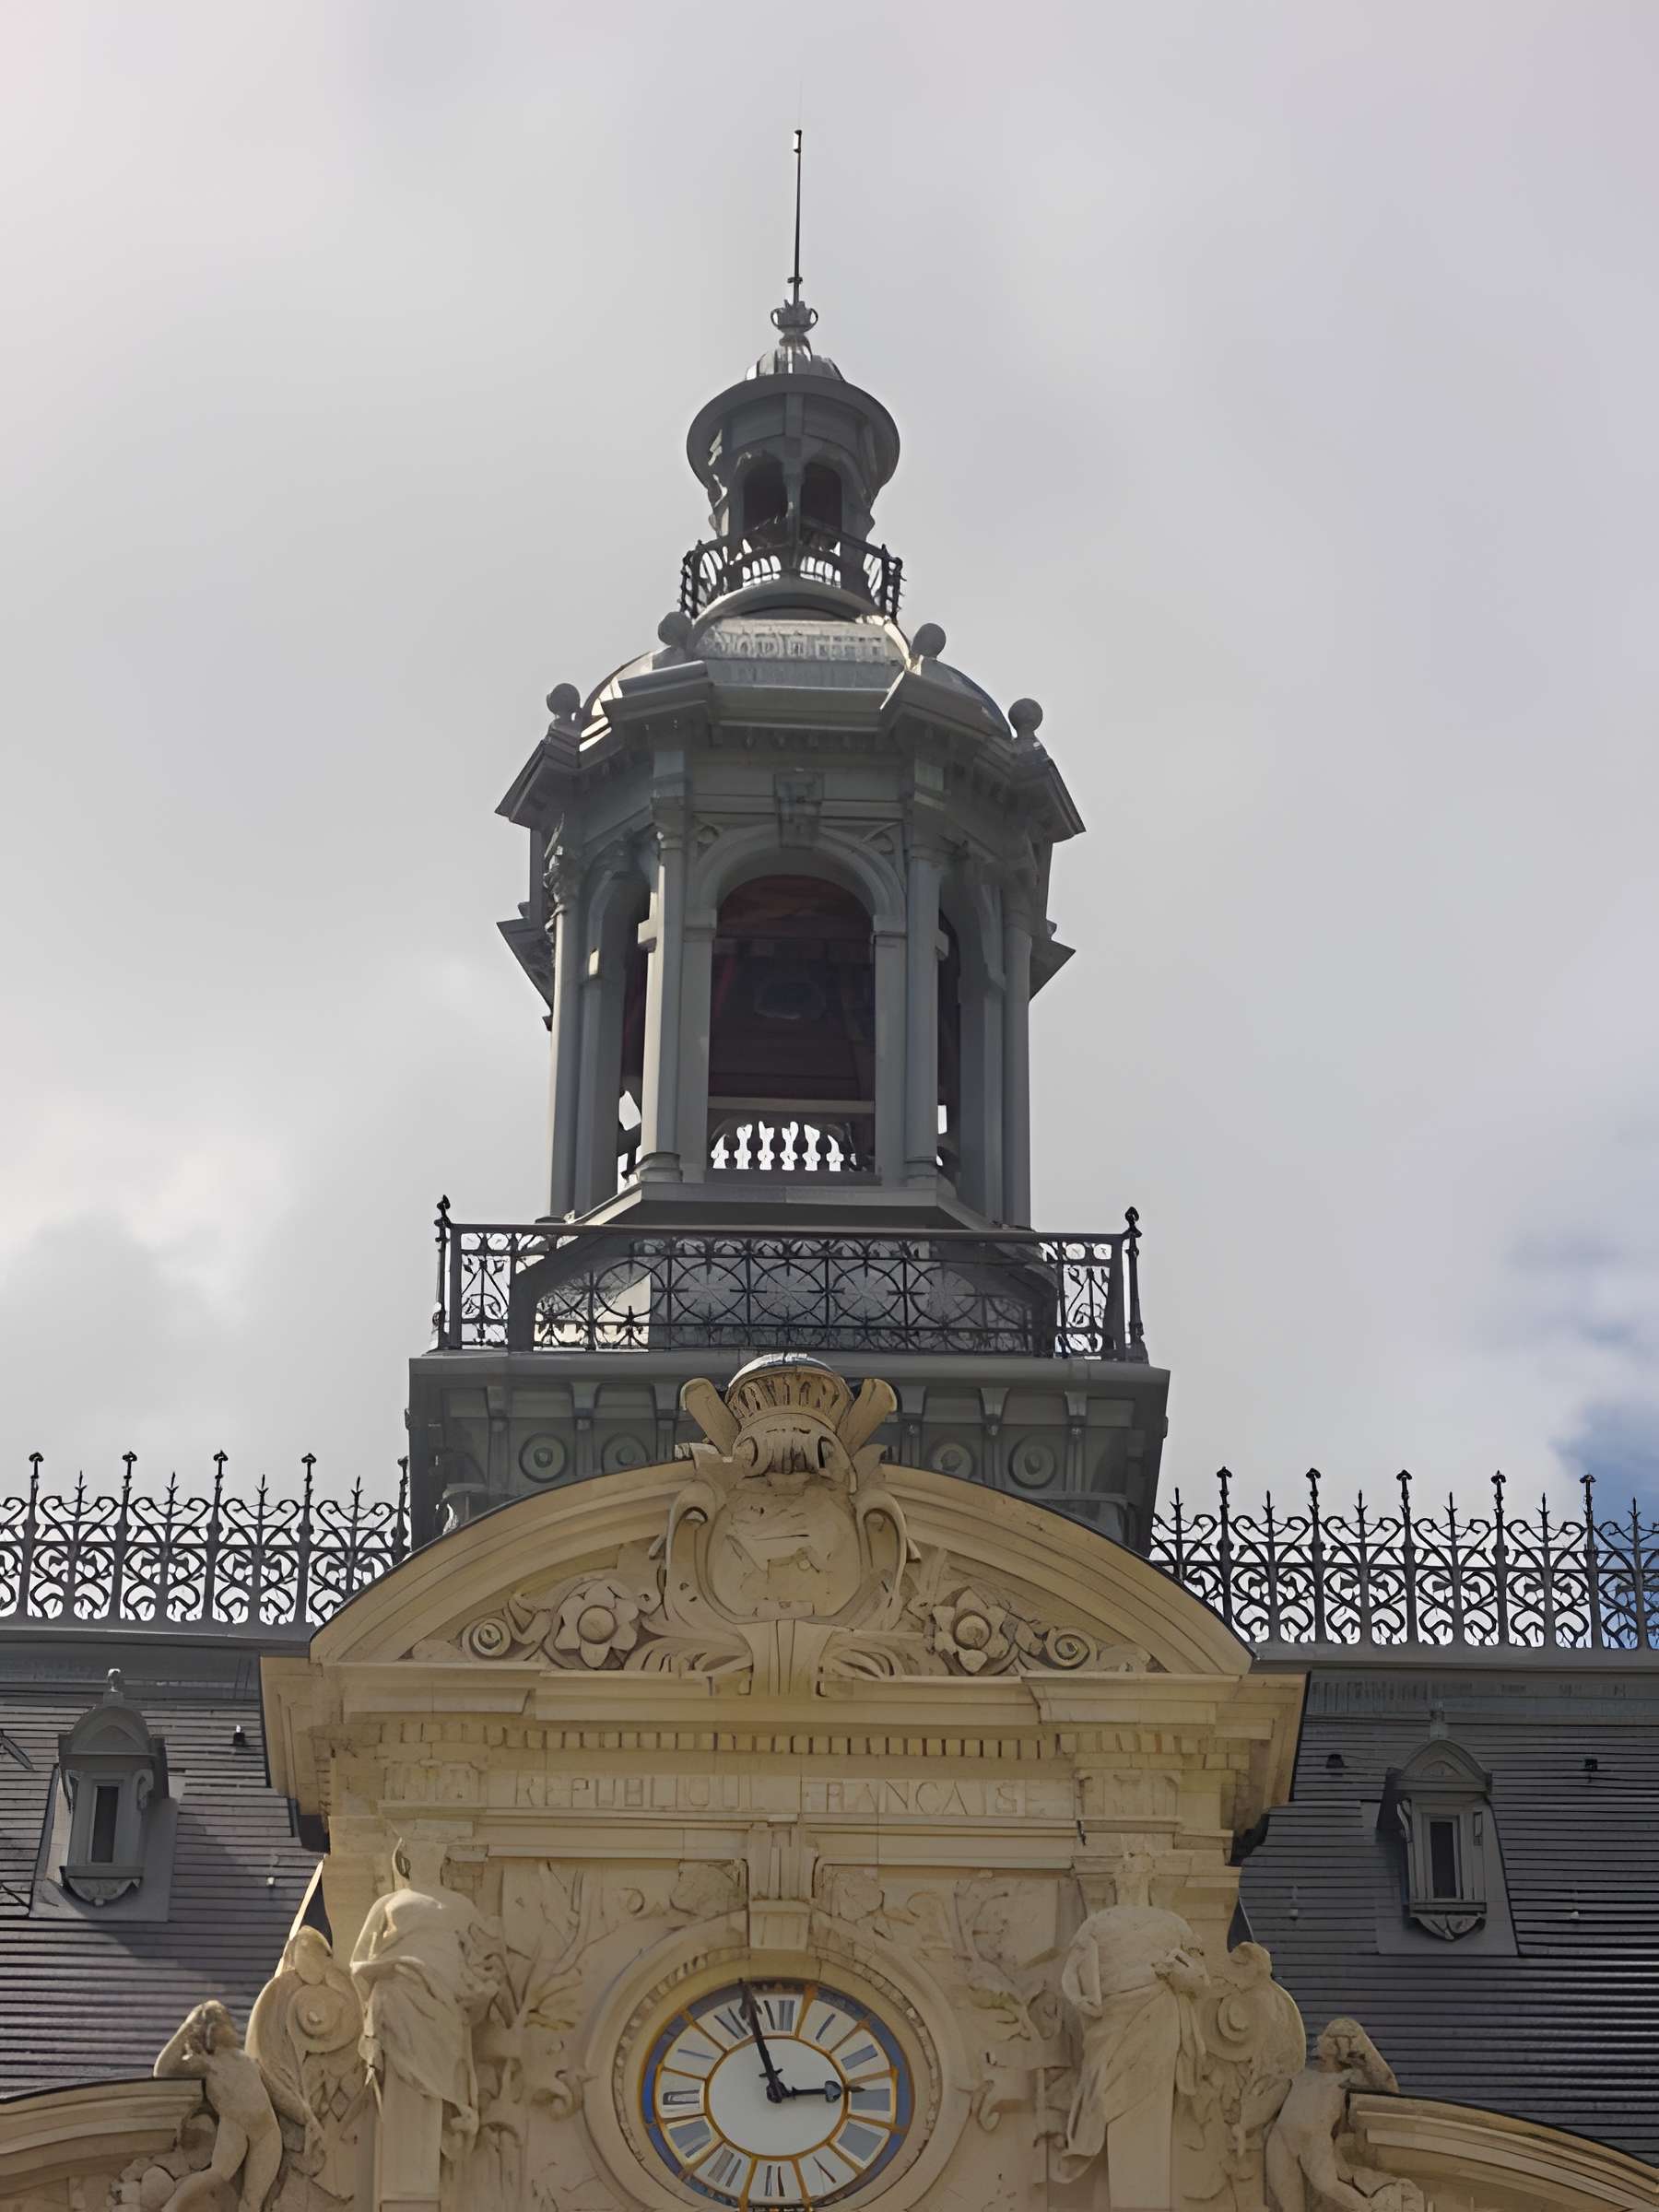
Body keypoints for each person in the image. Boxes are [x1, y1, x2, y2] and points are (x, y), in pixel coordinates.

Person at [153, 1999, 307, 2212]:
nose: (224, 2026)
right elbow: (162, 2069)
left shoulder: (248, 2061)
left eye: (225, 2021)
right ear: (206, 2032)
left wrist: (306, 2118)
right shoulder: (205, 2063)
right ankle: (172, 2206)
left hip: (267, 2131)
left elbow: (278, 2094)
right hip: (236, 2126)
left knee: (253, 2201)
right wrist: (187, 2027)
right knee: (218, 2175)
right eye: (216, 2022)